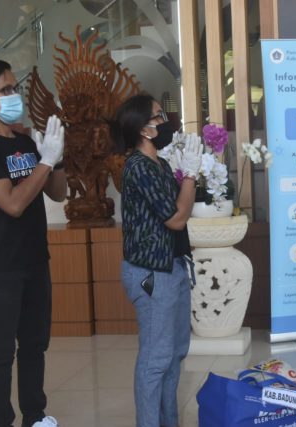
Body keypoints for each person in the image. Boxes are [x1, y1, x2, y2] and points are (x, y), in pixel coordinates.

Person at [0, 59, 66, 427]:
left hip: (34, 259)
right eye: (5, 90)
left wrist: (57, 159)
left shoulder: (24, 141)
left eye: (14, 88)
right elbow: (13, 204)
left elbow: (57, 193)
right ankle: (1, 422)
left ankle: (35, 416)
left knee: (35, 345)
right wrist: (45, 162)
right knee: (1, 352)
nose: (14, 96)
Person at [112, 94, 202, 427]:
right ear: (144, 129)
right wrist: (190, 175)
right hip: (151, 273)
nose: (166, 120)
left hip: (172, 266)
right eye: (159, 116)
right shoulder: (138, 167)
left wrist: (186, 174)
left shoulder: (159, 165)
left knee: (175, 353)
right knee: (156, 358)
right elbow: (176, 219)